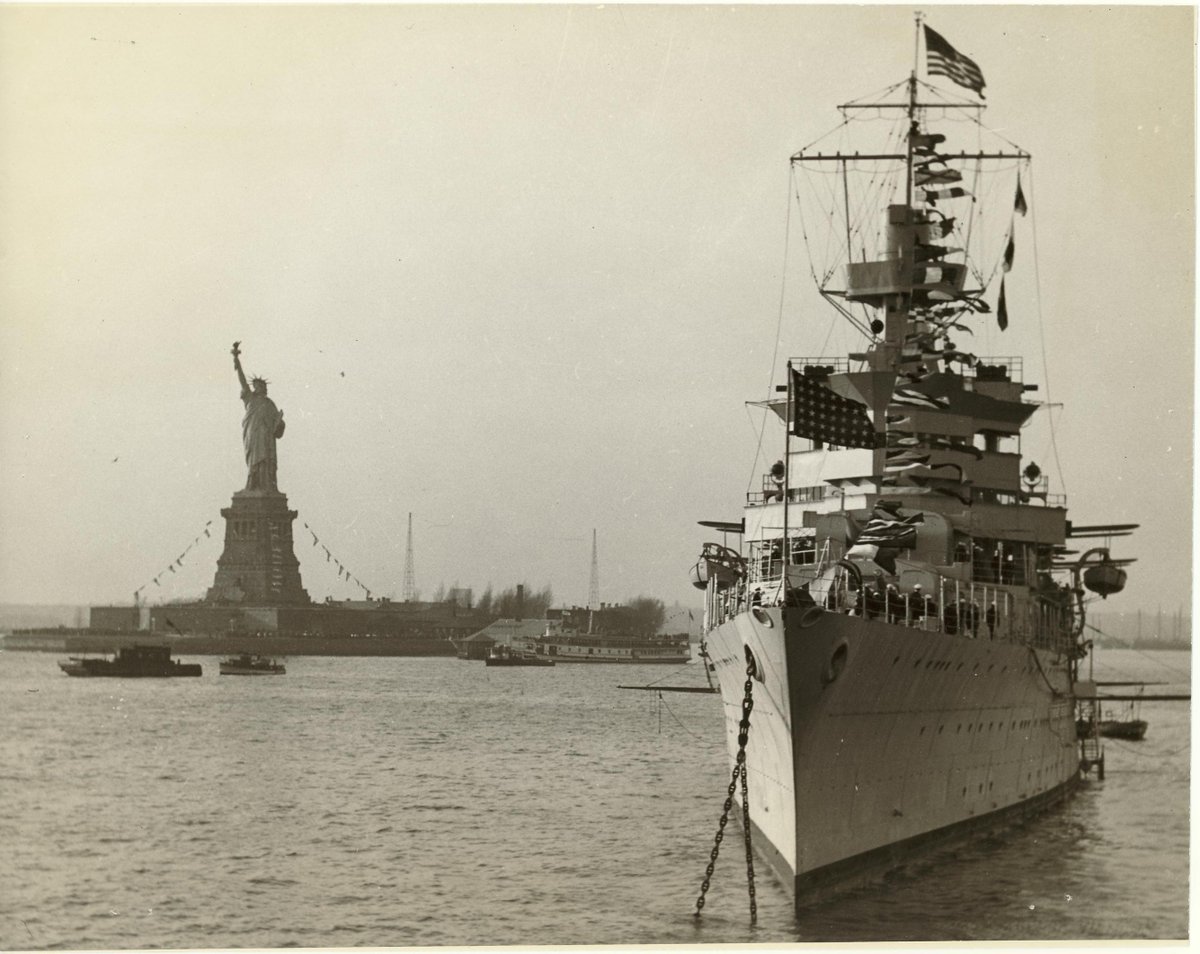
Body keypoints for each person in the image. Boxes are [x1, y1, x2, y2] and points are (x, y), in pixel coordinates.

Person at [232, 342, 285, 491]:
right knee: (255, 460)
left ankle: (267, 486)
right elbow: (242, 380)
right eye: (260, 386)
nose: (263, 388)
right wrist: (236, 360)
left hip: (267, 437)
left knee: (266, 461)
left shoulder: (269, 404)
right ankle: (252, 485)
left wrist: (280, 422)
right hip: (254, 435)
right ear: (255, 387)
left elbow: (278, 426)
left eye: (264, 386)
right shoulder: (250, 399)